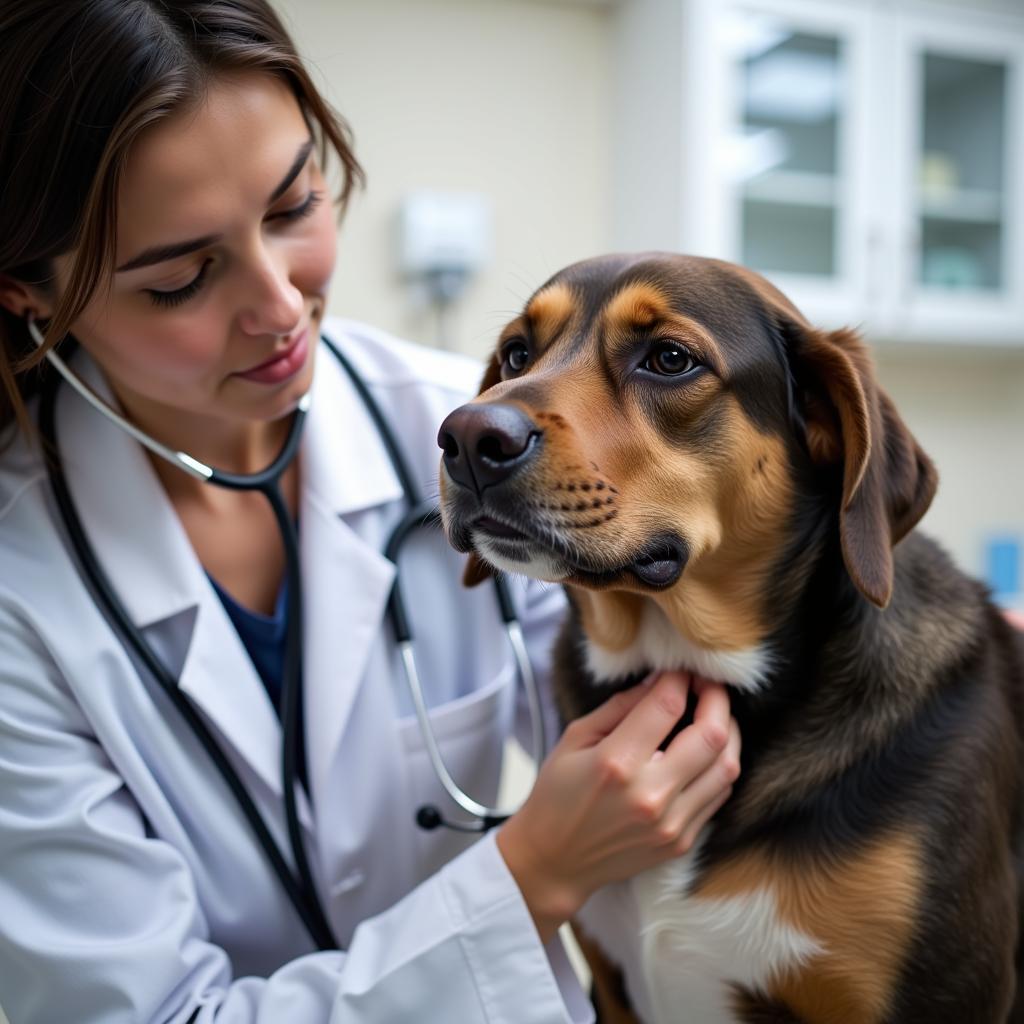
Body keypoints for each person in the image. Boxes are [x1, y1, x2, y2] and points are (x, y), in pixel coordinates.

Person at [0, 2, 742, 1021]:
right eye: (181, 278)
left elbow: (670, 678)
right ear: (27, 294)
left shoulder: (468, 437)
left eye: (294, 206)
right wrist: (532, 874)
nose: (279, 304)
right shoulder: (20, 589)